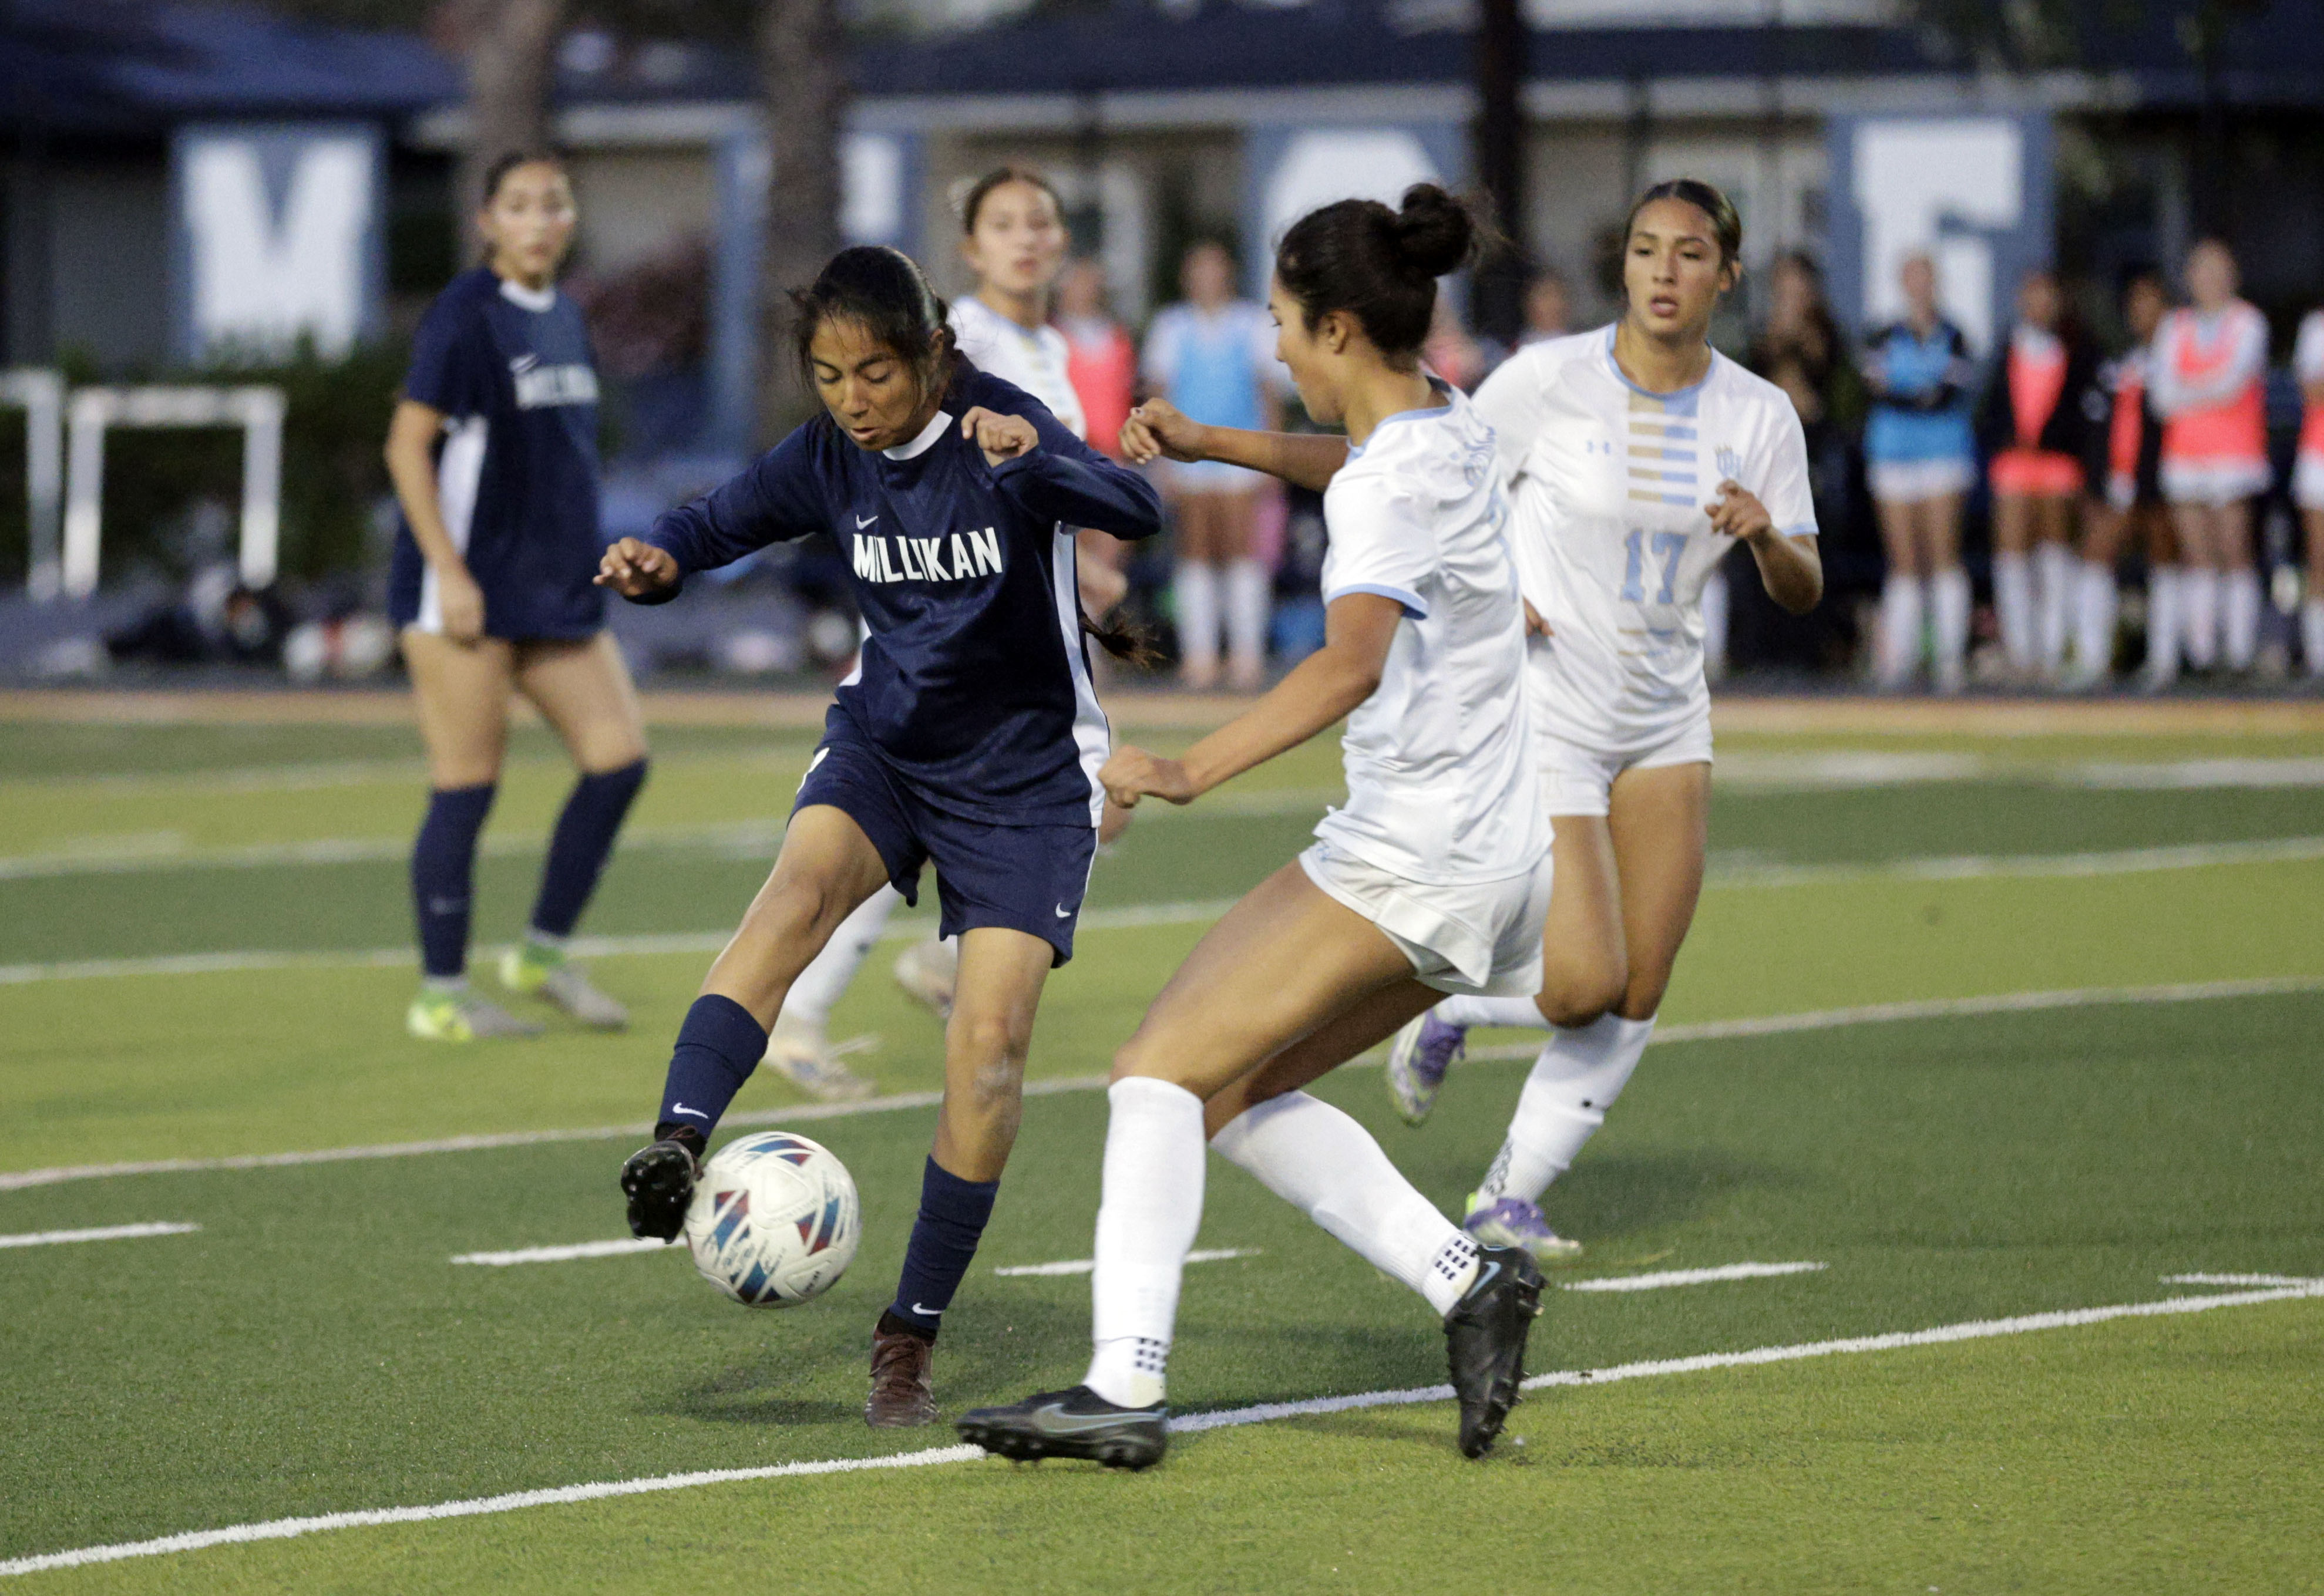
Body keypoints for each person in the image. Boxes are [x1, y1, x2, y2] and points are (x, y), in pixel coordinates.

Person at [956, 185, 1548, 1470]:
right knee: (1228, 1092)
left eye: (1285, 323)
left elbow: (1345, 665)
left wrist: (1187, 767)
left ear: (1336, 327)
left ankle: (1122, 1388)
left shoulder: (1396, 478)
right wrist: (1219, 441)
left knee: (1155, 1070)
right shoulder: (1440, 416)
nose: (1277, 345)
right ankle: (1467, 1282)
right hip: (1490, 857)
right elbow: (1358, 462)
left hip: (1416, 852)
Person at [599, 245, 1162, 1427]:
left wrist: (1047, 458)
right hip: (888, 750)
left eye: (875, 373)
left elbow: (1138, 508)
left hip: (1024, 780)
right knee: (794, 898)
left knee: (991, 1048)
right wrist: (656, 563)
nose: (853, 399)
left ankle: (907, 1332)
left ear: (931, 355)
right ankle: (677, 1142)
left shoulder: (1000, 427)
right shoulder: (826, 456)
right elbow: (713, 524)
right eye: (828, 375)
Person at [1378, 179, 1822, 1267]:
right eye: (1643, 250)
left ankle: (1506, 1194)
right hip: (1549, 705)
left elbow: (1802, 588)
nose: (1663, 271)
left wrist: (1767, 537)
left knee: (1639, 986)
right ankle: (1448, 1010)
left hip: (1667, 711)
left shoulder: (1757, 414)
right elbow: (1440, 488)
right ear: (1619, 266)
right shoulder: (1547, 380)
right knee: (1580, 981)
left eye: (1688, 254)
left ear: (1726, 272)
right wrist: (1490, 591)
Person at [756, 167, 1112, 1103]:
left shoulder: (1052, 351)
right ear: (969, 250)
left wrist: (1086, 570)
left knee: (1069, 813)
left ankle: (947, 963)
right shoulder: (974, 346)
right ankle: (813, 1009)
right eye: (1004, 223)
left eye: (1041, 219)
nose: (1027, 237)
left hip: (1017, 649)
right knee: (907, 828)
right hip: (937, 644)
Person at [381, 150, 644, 1043]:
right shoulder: (465, 315)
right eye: (520, 205)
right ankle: (441, 994)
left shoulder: (565, 312)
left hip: (554, 586)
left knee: (618, 759)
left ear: (570, 220)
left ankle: (540, 953)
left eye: (554, 204)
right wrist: (449, 573)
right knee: (467, 784)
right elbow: (407, 446)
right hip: (468, 589)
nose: (539, 220)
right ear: (488, 220)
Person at [1143, 240, 1285, 690]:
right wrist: (1161, 457)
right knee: (1196, 553)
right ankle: (1200, 656)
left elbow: (1267, 393)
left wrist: (1272, 458)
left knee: (1242, 552)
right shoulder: (1171, 326)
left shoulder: (1250, 323)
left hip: (1240, 456)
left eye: (1215, 268)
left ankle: (1245, 655)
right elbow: (1158, 393)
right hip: (1188, 461)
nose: (1207, 278)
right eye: (1198, 269)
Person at [2151, 240, 2271, 676]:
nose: (2209, 279)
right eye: (2201, 270)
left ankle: (2238, 653)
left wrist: (2188, 391)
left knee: (2233, 551)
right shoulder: (2174, 325)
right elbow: (2160, 396)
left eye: (2218, 269)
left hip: (2235, 456)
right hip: (2184, 456)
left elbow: (2233, 384)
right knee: (2196, 556)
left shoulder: (2248, 322)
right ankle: (2201, 654)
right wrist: (2202, 391)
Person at [1979, 268, 2101, 682]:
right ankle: (2020, 651)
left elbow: (2082, 416)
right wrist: (2009, 439)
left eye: (2047, 296)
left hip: (2057, 467)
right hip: (2014, 465)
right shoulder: (2007, 351)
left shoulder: (2077, 351)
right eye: (2033, 295)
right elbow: (1992, 412)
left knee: (2054, 553)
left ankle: (2050, 650)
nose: (2040, 304)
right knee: (2011, 555)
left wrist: (2054, 443)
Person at [1862, 252, 1976, 691]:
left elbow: (1947, 394)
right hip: (1892, 455)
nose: (1918, 285)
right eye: (1910, 276)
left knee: (1943, 556)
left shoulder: (1955, 335)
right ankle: (1900, 661)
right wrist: (1918, 395)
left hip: (1944, 455)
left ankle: (1949, 661)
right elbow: (1875, 390)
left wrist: (1906, 393)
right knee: (1903, 563)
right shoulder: (1882, 335)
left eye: (1925, 276)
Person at [2089, 269, 2178, 689]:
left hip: (2163, 478)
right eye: (2135, 304)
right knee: (2095, 557)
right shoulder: (2121, 363)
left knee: (2165, 561)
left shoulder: (2176, 358)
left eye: (2150, 302)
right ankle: (2092, 658)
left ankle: (2166, 660)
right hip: (2121, 479)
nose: (2141, 312)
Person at [2295, 304, 2324, 679]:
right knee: (2320, 560)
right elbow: (2311, 389)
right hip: (2319, 455)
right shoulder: (2317, 325)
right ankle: (2319, 660)